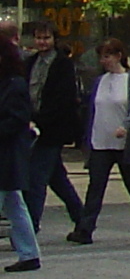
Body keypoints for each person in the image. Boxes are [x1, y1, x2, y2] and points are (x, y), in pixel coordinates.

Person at [76, 36, 130, 245]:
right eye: (101, 57)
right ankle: (85, 229)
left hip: (124, 142)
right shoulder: (100, 81)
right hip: (100, 141)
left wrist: (126, 125)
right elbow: (93, 109)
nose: (104, 61)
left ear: (119, 56)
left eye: (107, 56)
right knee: (96, 186)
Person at [20, 21, 87, 233]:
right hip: (33, 127)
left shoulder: (62, 64)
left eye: (46, 38)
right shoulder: (30, 62)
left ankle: (29, 227)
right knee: (56, 177)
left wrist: (41, 120)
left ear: (54, 39)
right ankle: (82, 218)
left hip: (52, 129)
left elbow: (62, 99)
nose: (41, 42)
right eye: (38, 38)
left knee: (36, 177)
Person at [2, 32, 39, 270]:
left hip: (6, 154)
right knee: (15, 204)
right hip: (7, 155)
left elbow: (17, 119)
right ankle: (29, 253)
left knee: (13, 202)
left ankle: (29, 253)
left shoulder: (14, 84)